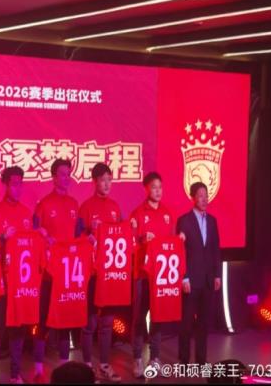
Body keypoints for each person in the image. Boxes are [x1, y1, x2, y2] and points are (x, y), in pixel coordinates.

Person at [0, 166, 33, 384]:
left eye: (21, 184)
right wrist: (2, 238)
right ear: (5, 185)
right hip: (0, 283)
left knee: (18, 331)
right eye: (14, 184)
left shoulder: (27, 213)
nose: (18, 188)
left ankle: (15, 374)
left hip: (21, 284)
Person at [32, 159, 80, 383]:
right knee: (43, 320)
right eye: (62, 174)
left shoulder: (74, 204)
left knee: (66, 321)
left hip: (68, 274)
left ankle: (63, 366)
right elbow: (34, 233)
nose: (66, 178)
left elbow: (78, 236)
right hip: (48, 274)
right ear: (53, 177)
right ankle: (38, 367)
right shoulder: (43, 205)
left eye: (68, 174)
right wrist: (42, 235)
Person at [76, 162, 123, 383]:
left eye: (109, 180)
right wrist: (89, 237)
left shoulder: (115, 207)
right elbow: (77, 236)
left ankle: (104, 365)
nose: (107, 184)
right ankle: (87, 367)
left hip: (110, 274)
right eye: (103, 180)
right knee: (90, 323)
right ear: (94, 182)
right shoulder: (86, 207)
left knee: (107, 323)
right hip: (92, 273)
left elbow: (123, 234)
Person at [129, 172, 176, 377]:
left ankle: (155, 358)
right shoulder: (137, 214)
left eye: (160, 187)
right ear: (146, 189)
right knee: (139, 317)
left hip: (160, 278)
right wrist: (141, 239)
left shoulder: (167, 213)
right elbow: (129, 243)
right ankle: (138, 359)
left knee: (158, 317)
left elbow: (171, 245)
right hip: (142, 274)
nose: (158, 191)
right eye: (154, 187)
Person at [176, 182, 222, 365]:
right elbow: (181, 252)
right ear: (192, 198)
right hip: (191, 280)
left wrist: (217, 275)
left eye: (206, 195)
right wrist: (184, 277)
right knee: (186, 323)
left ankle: (201, 360)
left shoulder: (212, 221)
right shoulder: (184, 221)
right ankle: (184, 360)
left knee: (204, 323)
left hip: (208, 279)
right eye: (200, 195)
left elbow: (215, 250)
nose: (204, 199)